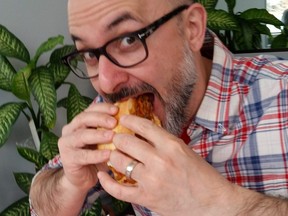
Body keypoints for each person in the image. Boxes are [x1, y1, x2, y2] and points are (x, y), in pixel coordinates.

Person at [29, 0, 288, 215]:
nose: (106, 83)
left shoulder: (280, 96)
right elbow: (43, 203)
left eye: (129, 39)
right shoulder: (113, 109)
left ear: (192, 28)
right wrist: (70, 183)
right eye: (89, 54)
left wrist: (216, 202)